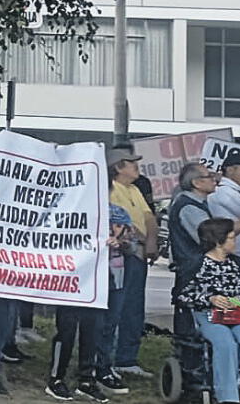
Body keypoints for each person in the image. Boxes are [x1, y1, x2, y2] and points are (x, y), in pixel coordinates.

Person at [174, 218, 240, 404]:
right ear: (218, 241)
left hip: (238, 313)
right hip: (208, 314)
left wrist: (233, 301)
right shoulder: (196, 265)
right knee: (224, 344)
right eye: (231, 238)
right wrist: (210, 299)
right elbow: (182, 296)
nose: (234, 241)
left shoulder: (237, 265)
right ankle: (227, 397)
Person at [105, 147, 158, 379]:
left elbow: (148, 217)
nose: (136, 166)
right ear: (118, 167)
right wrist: (145, 242)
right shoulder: (110, 189)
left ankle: (127, 358)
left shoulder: (134, 188)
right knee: (118, 307)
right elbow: (121, 221)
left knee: (134, 306)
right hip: (124, 254)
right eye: (130, 162)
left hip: (139, 253)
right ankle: (110, 358)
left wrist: (152, 241)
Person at [94, 205, 135, 395]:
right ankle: (90, 366)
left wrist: (122, 244)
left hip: (116, 281)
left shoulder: (120, 216)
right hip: (92, 282)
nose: (114, 228)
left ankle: (104, 365)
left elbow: (131, 246)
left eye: (118, 225)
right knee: (94, 325)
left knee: (110, 325)